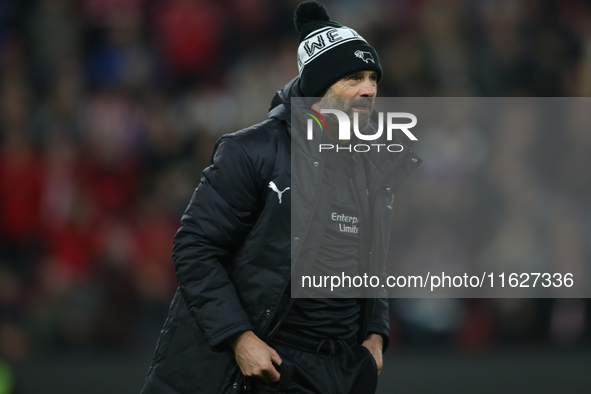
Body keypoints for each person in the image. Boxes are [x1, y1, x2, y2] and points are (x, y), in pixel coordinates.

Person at [141, 2, 420, 393]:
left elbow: (370, 257)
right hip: (270, 365)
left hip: (341, 369)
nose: (369, 89)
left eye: (373, 78)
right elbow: (195, 248)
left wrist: (375, 333)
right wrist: (240, 339)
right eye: (354, 77)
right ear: (320, 83)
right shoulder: (251, 151)